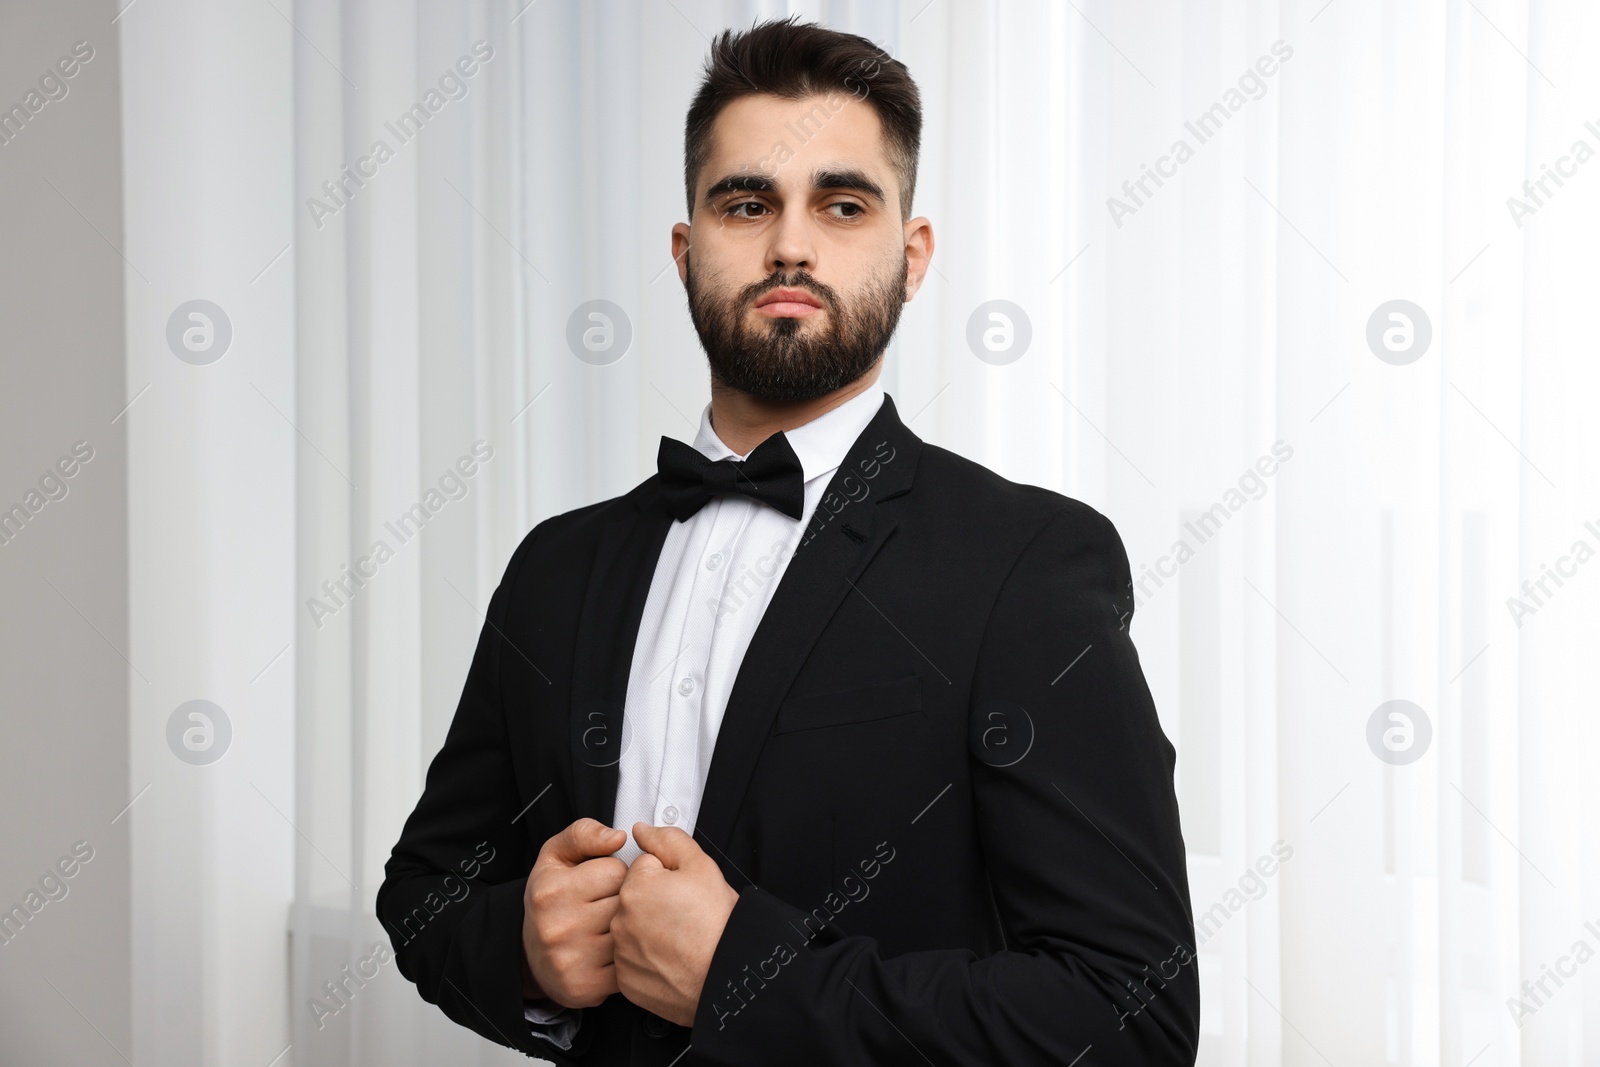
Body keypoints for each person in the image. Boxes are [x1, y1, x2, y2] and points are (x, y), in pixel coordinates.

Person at [377, 15, 1200, 1065]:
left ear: (913, 256)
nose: (790, 244)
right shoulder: (556, 566)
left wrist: (744, 971)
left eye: (842, 203)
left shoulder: (1026, 563)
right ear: (685, 252)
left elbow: (1126, 1014)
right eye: (746, 201)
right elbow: (426, 889)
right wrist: (524, 952)